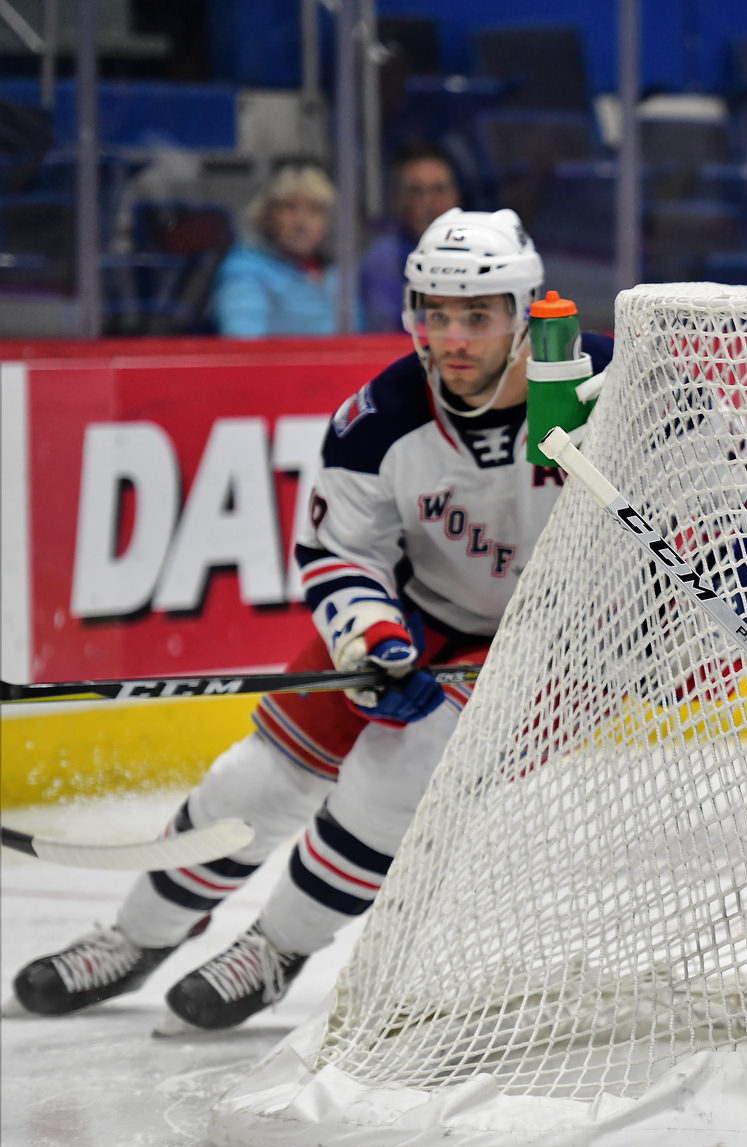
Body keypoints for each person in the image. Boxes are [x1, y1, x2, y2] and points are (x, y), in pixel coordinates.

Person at [13, 209, 614, 1029]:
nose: (453, 338)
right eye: (435, 314)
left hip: (558, 645)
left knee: (397, 775)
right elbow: (340, 554)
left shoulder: (605, 384)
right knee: (254, 782)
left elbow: (703, 485)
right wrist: (372, 636)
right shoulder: (380, 419)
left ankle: (276, 947)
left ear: (526, 312)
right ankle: (136, 936)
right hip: (426, 616)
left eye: (477, 315)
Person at [211, 160, 352, 338]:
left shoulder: (339, 276)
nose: (301, 222)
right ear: (268, 216)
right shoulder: (246, 271)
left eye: (315, 210)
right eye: (289, 207)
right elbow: (243, 344)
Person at [358, 142, 461, 331]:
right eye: (416, 191)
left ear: (455, 195)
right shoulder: (383, 259)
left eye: (438, 190)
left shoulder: (483, 251)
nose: (428, 202)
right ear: (398, 199)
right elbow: (384, 336)